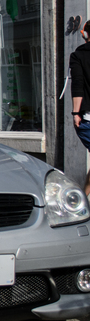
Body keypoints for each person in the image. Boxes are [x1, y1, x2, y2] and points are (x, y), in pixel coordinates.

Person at [70, 20, 90, 195]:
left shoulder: (78, 56)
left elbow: (77, 84)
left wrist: (76, 112)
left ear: (85, 35)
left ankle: (83, 201)